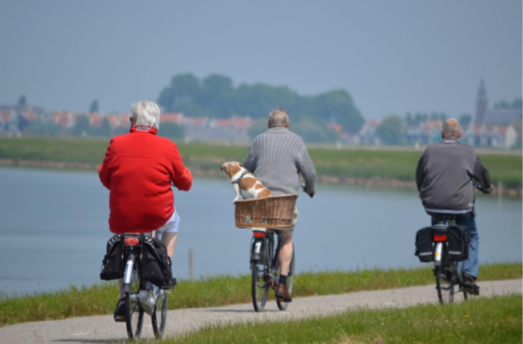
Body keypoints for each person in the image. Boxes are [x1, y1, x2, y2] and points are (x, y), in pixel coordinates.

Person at [99, 100, 192, 320]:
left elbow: (104, 177)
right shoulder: (168, 147)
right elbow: (185, 181)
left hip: (122, 216)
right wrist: (181, 181)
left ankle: (124, 297)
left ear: (132, 121)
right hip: (156, 214)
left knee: (124, 240)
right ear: (156, 124)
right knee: (174, 223)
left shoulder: (116, 143)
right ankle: (165, 267)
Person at [243, 108, 316, 302]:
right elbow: (310, 173)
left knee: (261, 226)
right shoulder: (296, 141)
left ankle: (261, 262)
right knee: (286, 238)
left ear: (268, 125)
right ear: (287, 125)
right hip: (285, 203)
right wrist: (310, 189)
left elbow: (245, 170)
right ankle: (282, 284)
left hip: (260, 202)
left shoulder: (259, 140)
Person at [415, 118, 492, 294]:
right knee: (471, 236)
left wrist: (423, 192)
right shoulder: (469, 152)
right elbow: (483, 175)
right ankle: (468, 276)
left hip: (434, 205)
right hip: (461, 206)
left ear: (441, 133)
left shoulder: (429, 151)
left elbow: (419, 176)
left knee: (438, 229)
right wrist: (487, 188)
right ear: (459, 134)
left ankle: (441, 263)